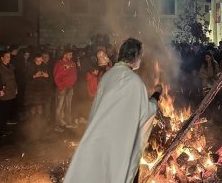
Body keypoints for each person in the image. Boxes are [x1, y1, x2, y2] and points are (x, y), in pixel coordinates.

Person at [64, 38, 159, 183]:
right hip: (120, 142)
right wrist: (156, 96)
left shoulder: (108, 76)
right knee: (120, 172)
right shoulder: (134, 82)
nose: (140, 59)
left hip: (101, 137)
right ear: (135, 57)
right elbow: (144, 113)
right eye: (140, 56)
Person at [53, 49, 77, 132]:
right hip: (62, 88)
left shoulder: (72, 63)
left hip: (70, 87)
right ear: (64, 55)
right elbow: (56, 77)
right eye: (69, 54)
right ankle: (57, 125)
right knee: (59, 107)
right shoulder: (59, 64)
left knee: (68, 106)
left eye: (71, 55)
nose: (71, 56)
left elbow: (74, 74)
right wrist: (60, 87)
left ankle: (68, 122)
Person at [0, 51, 18, 136]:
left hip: (10, 91)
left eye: (9, 56)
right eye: (7, 56)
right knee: (1, 111)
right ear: (2, 58)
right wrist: (0, 89)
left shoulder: (11, 66)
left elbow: (14, 78)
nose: (9, 58)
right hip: (3, 92)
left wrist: (15, 88)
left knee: (6, 111)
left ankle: (3, 128)